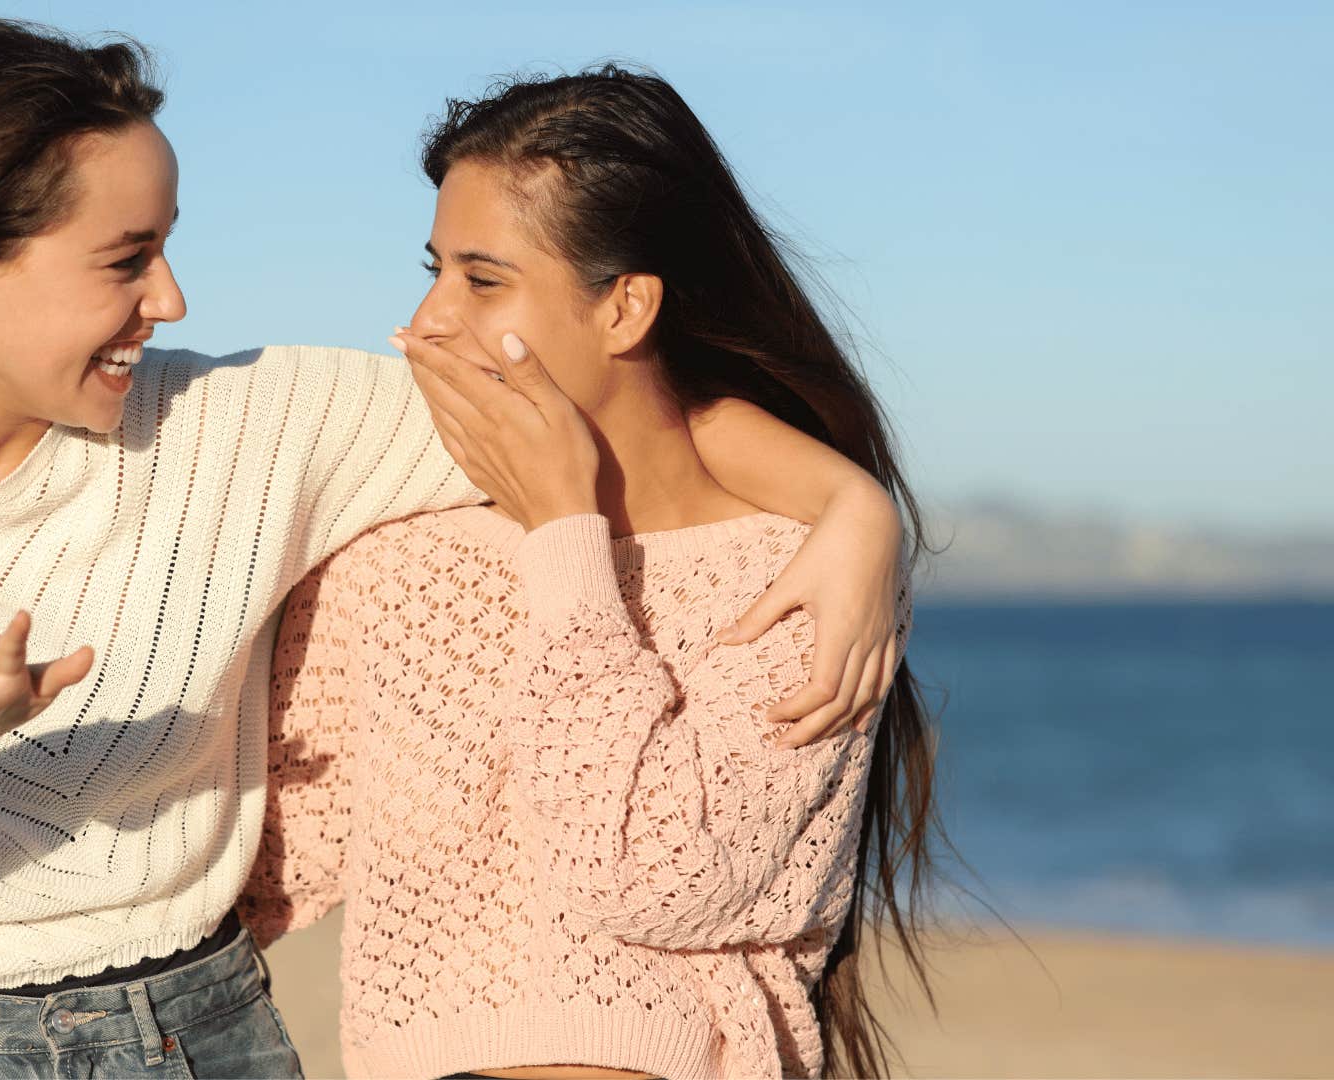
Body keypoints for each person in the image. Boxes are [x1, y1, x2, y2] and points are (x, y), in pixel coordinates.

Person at [0, 22, 908, 1079]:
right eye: (126, 259)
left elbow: (589, 414)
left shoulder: (245, 428)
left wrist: (852, 509)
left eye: (170, 251)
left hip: (213, 1033)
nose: (174, 300)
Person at [241, 66, 937, 1079]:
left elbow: (654, 875)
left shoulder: (799, 572)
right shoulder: (400, 555)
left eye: (482, 280)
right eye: (434, 269)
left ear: (624, 311)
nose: (429, 319)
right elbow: (261, 856)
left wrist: (567, 534)